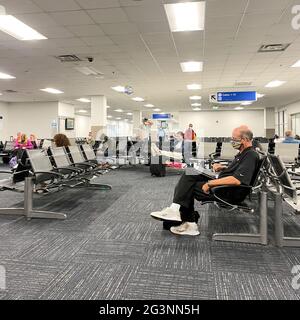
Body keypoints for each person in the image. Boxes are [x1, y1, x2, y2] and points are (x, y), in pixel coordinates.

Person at [150, 126, 259, 236]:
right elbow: (238, 172)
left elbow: (237, 180)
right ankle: (177, 212)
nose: (232, 141)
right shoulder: (243, 153)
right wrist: (224, 168)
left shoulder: (250, 155)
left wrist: (209, 183)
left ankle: (187, 220)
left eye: (234, 139)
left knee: (189, 186)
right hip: (225, 184)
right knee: (190, 172)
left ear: (244, 140)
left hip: (228, 191)